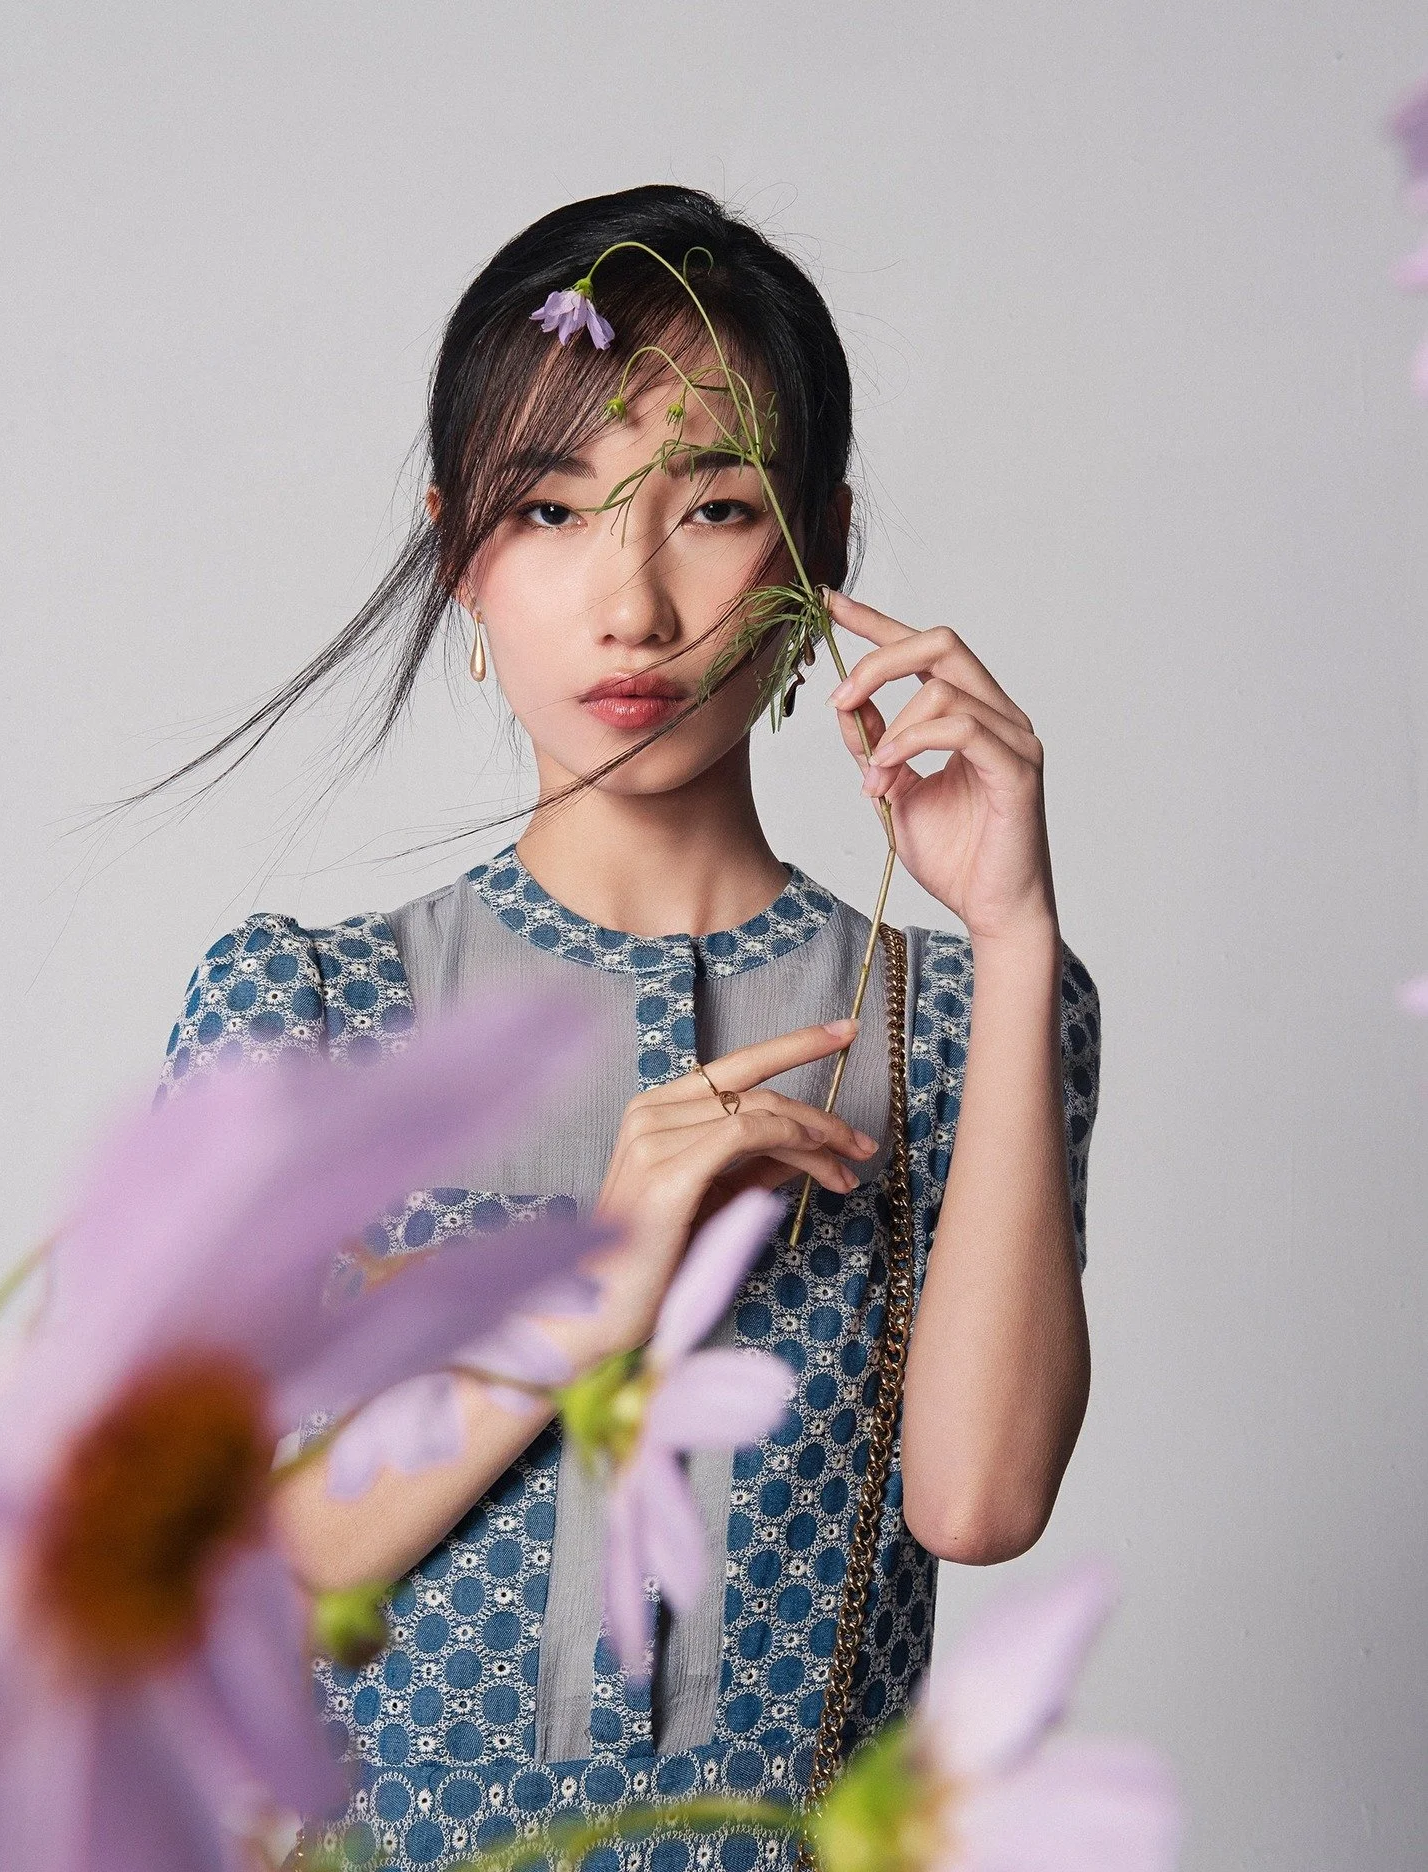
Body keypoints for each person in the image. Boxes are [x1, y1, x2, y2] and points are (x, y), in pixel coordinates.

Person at [156, 185, 1100, 1871]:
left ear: (822, 546)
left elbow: (979, 1502)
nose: (636, 605)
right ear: (462, 552)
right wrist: (589, 1280)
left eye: (718, 507)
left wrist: (1016, 935)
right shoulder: (304, 1015)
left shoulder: (954, 1014)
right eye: (552, 511)